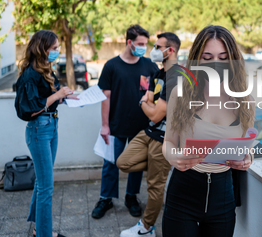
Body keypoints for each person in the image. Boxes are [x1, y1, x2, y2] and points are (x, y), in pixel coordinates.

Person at [162, 25, 256, 237]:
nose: (216, 64)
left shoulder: (245, 100)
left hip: (223, 197)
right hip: (183, 192)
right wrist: (174, 157)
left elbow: (246, 145)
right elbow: (168, 143)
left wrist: (247, 158)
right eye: (207, 57)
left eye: (223, 57)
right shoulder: (180, 94)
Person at [117, 33, 181, 237]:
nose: (153, 50)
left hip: (163, 138)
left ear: (170, 50)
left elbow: (153, 112)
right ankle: (162, 166)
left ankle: (146, 228)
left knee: (155, 187)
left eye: (157, 46)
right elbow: (152, 104)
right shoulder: (159, 74)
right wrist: (148, 102)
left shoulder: (177, 77)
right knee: (122, 162)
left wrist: (142, 102)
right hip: (149, 133)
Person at [15, 30, 78, 237]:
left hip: (51, 126)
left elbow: (49, 98)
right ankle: (44, 234)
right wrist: (57, 95)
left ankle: (38, 230)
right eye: (54, 48)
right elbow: (30, 108)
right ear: (42, 48)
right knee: (46, 188)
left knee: (42, 184)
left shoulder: (45, 71)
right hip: (38, 130)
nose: (57, 51)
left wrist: (64, 96)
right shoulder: (29, 75)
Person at [91, 25, 159, 219]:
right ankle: (106, 199)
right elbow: (106, 97)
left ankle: (131, 197)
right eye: (139, 44)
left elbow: (153, 95)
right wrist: (105, 125)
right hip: (116, 125)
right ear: (128, 42)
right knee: (110, 163)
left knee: (136, 165)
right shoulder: (112, 66)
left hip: (142, 127)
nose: (143, 47)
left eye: (145, 44)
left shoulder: (149, 66)